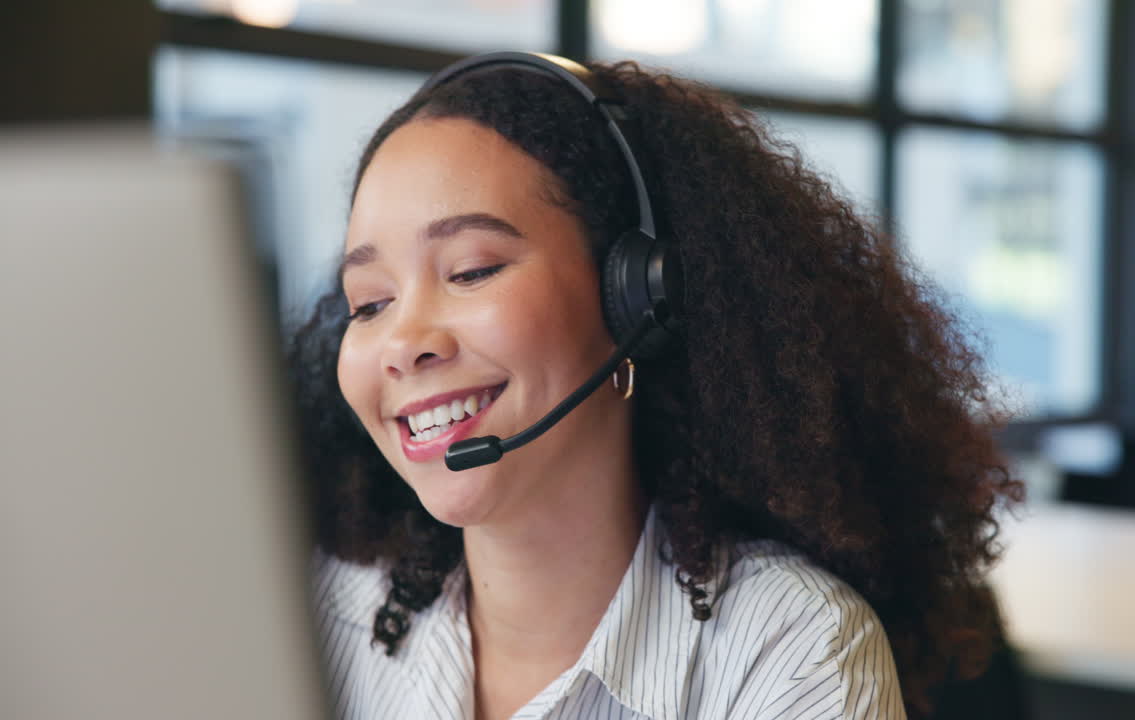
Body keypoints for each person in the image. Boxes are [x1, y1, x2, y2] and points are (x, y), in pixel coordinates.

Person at [290, 52, 1022, 720]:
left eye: (472, 270)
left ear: (637, 303)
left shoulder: (792, 649)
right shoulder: (315, 614)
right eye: (370, 304)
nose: (404, 344)